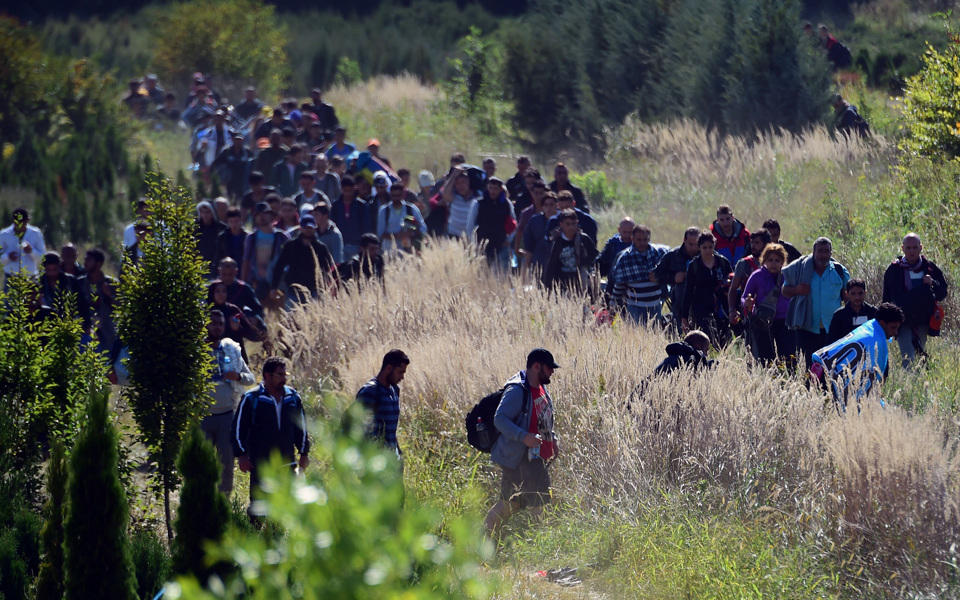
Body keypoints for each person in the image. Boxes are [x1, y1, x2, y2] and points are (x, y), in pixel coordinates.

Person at [485, 348, 560, 538]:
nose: (552, 372)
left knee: (528, 500)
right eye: (549, 368)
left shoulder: (542, 390)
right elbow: (500, 419)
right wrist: (523, 436)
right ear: (537, 366)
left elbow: (543, 420)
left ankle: (487, 541)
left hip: (534, 458)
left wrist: (553, 440)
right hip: (518, 458)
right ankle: (540, 544)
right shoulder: (518, 390)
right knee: (527, 501)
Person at [232, 357, 310, 511]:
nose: (284, 379)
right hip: (261, 462)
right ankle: (254, 534)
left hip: (287, 461)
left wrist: (304, 453)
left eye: (285, 374)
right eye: (280, 375)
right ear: (267, 376)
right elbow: (237, 429)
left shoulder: (292, 398)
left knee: (284, 506)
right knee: (259, 507)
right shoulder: (252, 398)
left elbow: (301, 427)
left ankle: (277, 534)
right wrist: (241, 455)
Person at [811, 303, 904, 413]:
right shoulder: (875, 341)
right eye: (893, 328)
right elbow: (868, 385)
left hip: (821, 366)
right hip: (829, 379)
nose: (895, 332)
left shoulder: (869, 327)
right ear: (883, 323)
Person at [203, 310, 255, 495]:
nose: (217, 327)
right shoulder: (196, 351)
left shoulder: (231, 350)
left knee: (226, 464)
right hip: (201, 417)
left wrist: (238, 376)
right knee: (202, 465)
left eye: (220, 324)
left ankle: (223, 504)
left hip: (227, 417)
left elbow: (251, 379)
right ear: (205, 325)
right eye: (213, 323)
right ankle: (204, 502)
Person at [881, 233, 948, 368]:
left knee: (919, 356)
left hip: (923, 321)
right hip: (902, 321)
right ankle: (908, 387)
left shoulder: (929, 268)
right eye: (908, 248)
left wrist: (932, 283)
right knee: (908, 358)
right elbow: (887, 298)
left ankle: (919, 387)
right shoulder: (894, 269)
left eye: (915, 247)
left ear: (921, 247)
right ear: (903, 248)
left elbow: (942, 293)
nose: (911, 251)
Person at [782, 237, 850, 369]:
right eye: (820, 251)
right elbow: (785, 290)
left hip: (833, 330)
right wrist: (797, 289)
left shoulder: (840, 271)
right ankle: (809, 390)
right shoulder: (800, 269)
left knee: (831, 368)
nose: (823, 255)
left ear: (831, 253)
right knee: (809, 368)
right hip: (807, 329)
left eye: (826, 251)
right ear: (813, 252)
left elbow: (848, 298)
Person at [741, 244, 796, 365]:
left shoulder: (787, 276)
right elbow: (744, 296)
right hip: (763, 323)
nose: (773, 263)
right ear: (763, 260)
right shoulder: (757, 276)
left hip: (785, 323)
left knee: (788, 359)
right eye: (770, 260)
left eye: (777, 260)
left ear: (783, 261)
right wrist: (747, 303)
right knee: (767, 360)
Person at [680, 232, 734, 346]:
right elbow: (688, 291)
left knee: (723, 340)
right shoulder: (694, 265)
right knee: (704, 339)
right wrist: (684, 317)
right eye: (704, 248)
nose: (708, 251)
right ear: (699, 247)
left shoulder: (723, 262)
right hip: (701, 309)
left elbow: (732, 285)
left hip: (721, 308)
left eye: (710, 247)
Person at [270, 216, 336, 306]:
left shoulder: (321, 248)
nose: (308, 230)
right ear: (300, 227)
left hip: (314, 290)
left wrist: (326, 287)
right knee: (290, 317)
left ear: (315, 228)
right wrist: (274, 287)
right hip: (293, 290)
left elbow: (327, 269)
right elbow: (279, 266)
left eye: (310, 228)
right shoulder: (290, 246)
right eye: (305, 227)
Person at [609, 224, 668, 324]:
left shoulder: (659, 254)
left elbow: (668, 276)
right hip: (634, 307)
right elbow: (619, 285)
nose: (642, 243)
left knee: (654, 335)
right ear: (632, 239)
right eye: (639, 240)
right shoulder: (625, 258)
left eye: (645, 240)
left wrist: (658, 277)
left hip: (655, 305)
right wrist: (613, 304)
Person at [355, 349, 409, 455]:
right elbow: (361, 430)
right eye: (400, 372)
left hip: (391, 459)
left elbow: (391, 430)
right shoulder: (370, 391)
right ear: (389, 368)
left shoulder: (395, 390)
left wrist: (398, 452)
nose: (402, 377)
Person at [655, 227, 701, 334]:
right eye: (691, 244)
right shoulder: (673, 256)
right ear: (684, 241)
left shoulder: (705, 253)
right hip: (679, 304)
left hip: (701, 303)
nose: (694, 248)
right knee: (681, 334)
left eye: (697, 244)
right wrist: (673, 278)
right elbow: (657, 274)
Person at [542, 208, 599, 294]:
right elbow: (551, 265)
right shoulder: (556, 241)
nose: (571, 227)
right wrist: (548, 286)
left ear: (577, 223)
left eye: (573, 223)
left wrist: (593, 273)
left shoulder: (584, 239)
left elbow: (595, 257)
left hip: (581, 283)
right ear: (561, 224)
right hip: (561, 283)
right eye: (568, 224)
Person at [242, 202, 290, 303]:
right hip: (258, 282)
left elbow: (290, 261)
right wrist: (243, 283)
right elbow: (246, 260)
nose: (261, 217)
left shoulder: (282, 236)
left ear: (271, 216)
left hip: (279, 283)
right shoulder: (252, 237)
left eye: (264, 213)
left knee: (280, 316)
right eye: (258, 214)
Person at [34, 252, 90, 333]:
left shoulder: (70, 281)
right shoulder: (39, 282)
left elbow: (83, 304)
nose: (52, 273)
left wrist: (87, 325)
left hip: (69, 326)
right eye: (49, 270)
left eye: (54, 269)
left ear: (59, 266)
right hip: (45, 327)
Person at [727, 229, 771, 329]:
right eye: (752, 242)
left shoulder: (774, 262)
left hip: (772, 312)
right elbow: (733, 288)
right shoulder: (744, 264)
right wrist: (732, 309)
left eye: (757, 243)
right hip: (750, 313)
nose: (753, 246)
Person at [79, 248, 119, 352]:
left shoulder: (111, 283)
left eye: (89, 260)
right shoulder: (80, 283)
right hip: (85, 331)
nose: (85, 263)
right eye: (85, 259)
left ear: (99, 263)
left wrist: (110, 295)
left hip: (107, 332)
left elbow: (121, 306)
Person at [476, 177, 517, 271]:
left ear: (500, 189)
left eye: (495, 189)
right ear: (487, 187)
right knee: (484, 271)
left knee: (503, 273)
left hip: (501, 243)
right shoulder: (479, 203)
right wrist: (473, 242)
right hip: (483, 244)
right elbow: (470, 224)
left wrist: (509, 240)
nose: (492, 191)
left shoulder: (506, 204)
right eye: (490, 188)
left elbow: (514, 222)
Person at [377, 183, 427, 254]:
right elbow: (380, 233)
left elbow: (423, 228)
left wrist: (412, 233)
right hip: (390, 251)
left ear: (403, 194)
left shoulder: (411, 209)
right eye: (394, 196)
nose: (396, 198)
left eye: (398, 195)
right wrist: (397, 236)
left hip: (409, 251)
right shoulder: (384, 210)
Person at [521, 192, 559, 283]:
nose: (549, 208)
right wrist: (524, 270)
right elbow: (529, 247)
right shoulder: (534, 221)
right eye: (546, 205)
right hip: (539, 263)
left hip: (558, 266)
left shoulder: (562, 220)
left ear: (556, 205)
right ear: (543, 206)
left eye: (551, 204)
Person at [330, 175, 370, 261]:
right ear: (341, 189)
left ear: (355, 188)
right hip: (340, 245)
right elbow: (332, 225)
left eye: (350, 191)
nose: (348, 194)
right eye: (345, 191)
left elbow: (366, 226)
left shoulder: (361, 205)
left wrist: (364, 244)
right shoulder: (336, 205)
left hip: (357, 245)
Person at [2, 207, 46, 283]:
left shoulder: (35, 233)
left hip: (31, 278)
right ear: (13, 221)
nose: (20, 225)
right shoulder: (4, 235)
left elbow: (43, 258)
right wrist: (8, 257)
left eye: (22, 222)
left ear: (27, 220)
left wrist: (31, 251)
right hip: (11, 279)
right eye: (17, 222)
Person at [828, 279, 878, 345]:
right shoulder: (839, 315)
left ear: (865, 293)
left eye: (860, 293)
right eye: (853, 294)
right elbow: (831, 342)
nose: (857, 297)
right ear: (847, 294)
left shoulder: (873, 312)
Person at [440, 166, 480, 239]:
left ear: (469, 182)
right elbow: (445, 193)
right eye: (457, 183)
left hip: (470, 238)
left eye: (463, 182)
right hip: (453, 237)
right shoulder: (454, 197)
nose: (460, 186)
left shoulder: (478, 197)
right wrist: (454, 175)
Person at [595, 217, 635, 288]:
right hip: (615, 282)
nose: (627, 236)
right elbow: (601, 262)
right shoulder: (613, 245)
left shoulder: (640, 244)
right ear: (619, 230)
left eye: (630, 232)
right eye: (625, 232)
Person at [213, 132, 253, 200]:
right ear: (232, 140)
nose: (238, 142)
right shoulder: (226, 151)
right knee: (230, 197)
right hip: (229, 179)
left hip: (243, 179)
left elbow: (253, 164)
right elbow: (216, 163)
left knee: (241, 197)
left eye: (239, 140)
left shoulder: (247, 152)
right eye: (236, 139)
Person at [196, 201, 227, 279]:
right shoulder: (194, 228)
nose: (205, 215)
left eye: (207, 212)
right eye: (202, 212)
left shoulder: (221, 228)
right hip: (198, 267)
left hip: (216, 267)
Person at [217, 207, 249, 273]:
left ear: (241, 220)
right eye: (231, 221)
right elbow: (218, 256)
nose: (234, 224)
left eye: (236, 221)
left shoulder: (247, 236)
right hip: (227, 271)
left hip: (243, 270)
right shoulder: (222, 237)